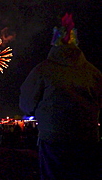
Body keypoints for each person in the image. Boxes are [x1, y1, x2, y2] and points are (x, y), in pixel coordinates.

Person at [19, 13, 102, 180]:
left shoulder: (43, 70)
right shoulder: (93, 72)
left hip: (53, 140)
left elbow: (26, 103)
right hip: (88, 140)